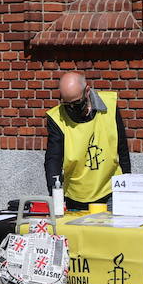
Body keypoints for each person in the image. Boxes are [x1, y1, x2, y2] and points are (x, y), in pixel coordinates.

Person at [44, 70, 131, 210]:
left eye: (77, 103)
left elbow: (122, 148)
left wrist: (128, 184)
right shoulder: (56, 118)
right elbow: (53, 159)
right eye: (67, 105)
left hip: (110, 192)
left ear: (87, 91)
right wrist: (55, 195)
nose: (72, 108)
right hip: (75, 195)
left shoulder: (109, 106)